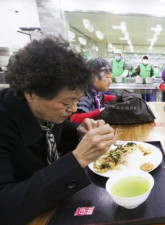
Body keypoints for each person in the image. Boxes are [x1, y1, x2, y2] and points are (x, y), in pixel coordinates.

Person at [0, 36, 116, 224]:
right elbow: (5, 207)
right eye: (66, 102)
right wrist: (78, 159)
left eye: (77, 100)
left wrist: (79, 130)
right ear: (31, 93)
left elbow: (58, 132)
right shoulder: (5, 121)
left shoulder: (47, 113)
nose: (73, 109)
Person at [70, 58, 115, 124]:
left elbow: (103, 98)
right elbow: (74, 118)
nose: (110, 81)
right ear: (93, 77)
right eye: (107, 77)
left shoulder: (95, 92)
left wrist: (121, 98)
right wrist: (101, 112)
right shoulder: (82, 93)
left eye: (110, 78)